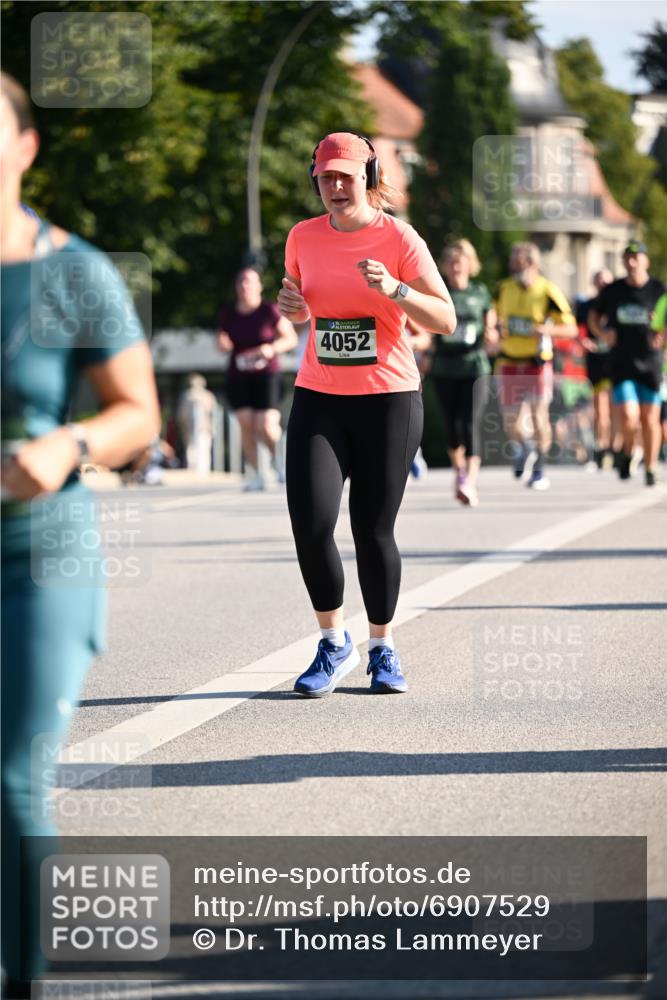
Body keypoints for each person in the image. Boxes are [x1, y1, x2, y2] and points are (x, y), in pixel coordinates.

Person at [0, 73, 160, 995]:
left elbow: (137, 415)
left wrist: (70, 442)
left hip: (41, 555)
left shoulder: (71, 273)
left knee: (12, 780)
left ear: (25, 150)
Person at [277, 131, 455, 697]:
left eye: (344, 177)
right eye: (324, 177)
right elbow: (302, 310)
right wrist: (294, 310)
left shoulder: (399, 237)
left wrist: (397, 289)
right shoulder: (302, 237)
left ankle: (383, 646)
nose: (333, 187)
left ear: (368, 178)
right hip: (319, 397)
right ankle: (334, 643)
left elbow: (444, 319)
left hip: (388, 400)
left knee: (371, 530)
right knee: (310, 524)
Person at [494, 242, 577, 491]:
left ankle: (540, 468)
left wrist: (548, 329)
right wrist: (494, 329)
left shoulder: (547, 291)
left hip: (537, 362)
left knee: (539, 416)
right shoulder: (504, 289)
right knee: (511, 421)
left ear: (533, 264)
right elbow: (492, 316)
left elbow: (571, 328)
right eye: (514, 263)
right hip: (509, 361)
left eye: (521, 263)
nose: (516, 267)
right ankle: (524, 448)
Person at [425, 239, 498, 507]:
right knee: (452, 425)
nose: (456, 268)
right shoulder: (440, 294)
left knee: (470, 423)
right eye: (452, 263)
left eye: (461, 262)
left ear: (470, 265)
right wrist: (428, 355)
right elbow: (431, 328)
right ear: (445, 267)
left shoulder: (480, 293)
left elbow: (491, 323)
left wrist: (492, 334)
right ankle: (459, 475)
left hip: (474, 367)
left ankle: (471, 482)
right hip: (445, 367)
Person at [588, 241, 665, 485]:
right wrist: (602, 334)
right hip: (622, 363)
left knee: (650, 420)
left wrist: (662, 333)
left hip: (651, 364)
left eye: (636, 257)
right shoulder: (613, 291)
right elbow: (593, 316)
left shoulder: (658, 290)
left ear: (645, 261)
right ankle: (628, 451)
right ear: (623, 262)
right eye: (627, 258)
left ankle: (651, 467)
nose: (631, 262)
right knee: (629, 417)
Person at [217, 267, 297, 490]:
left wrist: (270, 349)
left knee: (266, 425)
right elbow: (221, 339)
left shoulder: (269, 311)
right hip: (239, 375)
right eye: (242, 281)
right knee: (246, 423)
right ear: (237, 287)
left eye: (250, 281)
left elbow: (290, 339)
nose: (245, 286)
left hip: (266, 374)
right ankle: (257, 474)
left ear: (259, 286)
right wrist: (223, 344)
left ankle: (281, 464)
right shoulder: (228, 313)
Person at [577, 268, 617, 469]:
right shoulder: (586, 306)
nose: (602, 284)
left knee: (615, 408)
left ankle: (616, 447)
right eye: (599, 280)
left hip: (617, 361)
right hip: (595, 362)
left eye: (606, 281)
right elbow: (577, 330)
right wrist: (583, 342)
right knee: (600, 408)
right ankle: (602, 448)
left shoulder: (617, 302)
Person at [176, 372, 217, 474]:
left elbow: (214, 412)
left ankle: (201, 470)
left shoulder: (206, 396)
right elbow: (182, 415)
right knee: (193, 449)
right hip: (191, 428)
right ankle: (194, 469)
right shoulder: (187, 396)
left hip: (204, 428)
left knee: (202, 449)